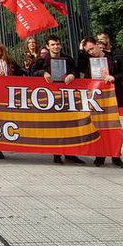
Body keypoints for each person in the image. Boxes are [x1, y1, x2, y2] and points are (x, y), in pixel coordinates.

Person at [31, 36, 83, 165]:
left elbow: (76, 71)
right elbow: (32, 73)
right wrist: (43, 73)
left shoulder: (67, 58)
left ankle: (71, 154)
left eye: (57, 44)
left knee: (69, 126)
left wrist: (72, 75)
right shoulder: (41, 60)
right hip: (50, 97)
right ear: (48, 46)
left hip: (66, 97)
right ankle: (57, 154)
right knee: (55, 126)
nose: (56, 47)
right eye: (53, 44)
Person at [76, 37, 123, 168]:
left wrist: (114, 77)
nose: (91, 52)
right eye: (88, 50)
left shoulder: (113, 57)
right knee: (98, 127)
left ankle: (116, 155)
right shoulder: (87, 59)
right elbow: (79, 68)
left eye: (92, 48)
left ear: (98, 45)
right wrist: (81, 51)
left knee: (113, 128)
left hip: (112, 96)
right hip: (95, 97)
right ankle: (100, 155)